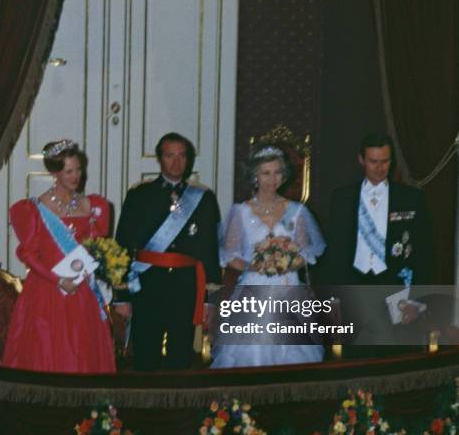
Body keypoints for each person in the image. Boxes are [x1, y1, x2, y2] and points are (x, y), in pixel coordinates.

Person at [1, 140, 116, 373]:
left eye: (79, 170)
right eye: (69, 171)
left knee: (83, 352)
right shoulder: (33, 209)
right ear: (55, 173)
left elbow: (97, 247)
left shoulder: (93, 206)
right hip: (46, 291)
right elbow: (28, 254)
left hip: (81, 290)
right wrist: (58, 280)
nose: (76, 177)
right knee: (47, 351)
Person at [210, 143, 326, 368]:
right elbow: (229, 255)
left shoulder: (297, 211)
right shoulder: (240, 212)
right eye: (266, 173)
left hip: (289, 286)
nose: (272, 179)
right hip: (255, 289)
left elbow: (307, 251)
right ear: (255, 176)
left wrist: (289, 262)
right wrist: (257, 265)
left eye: (277, 172)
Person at [114, 132, 221, 370]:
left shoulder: (203, 198)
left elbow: (210, 251)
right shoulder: (139, 195)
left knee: (181, 356)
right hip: (147, 285)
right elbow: (121, 246)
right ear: (159, 159)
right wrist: (121, 296)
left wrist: (209, 300)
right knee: (145, 354)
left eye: (182, 156)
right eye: (170, 155)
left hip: (185, 286)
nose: (176, 162)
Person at [324, 133, 432, 347]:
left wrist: (416, 300)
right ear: (361, 160)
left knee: (393, 357)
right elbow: (334, 252)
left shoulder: (411, 198)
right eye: (373, 161)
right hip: (352, 289)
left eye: (385, 161)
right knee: (353, 360)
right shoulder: (342, 197)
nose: (379, 167)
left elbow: (424, 252)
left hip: (394, 289)